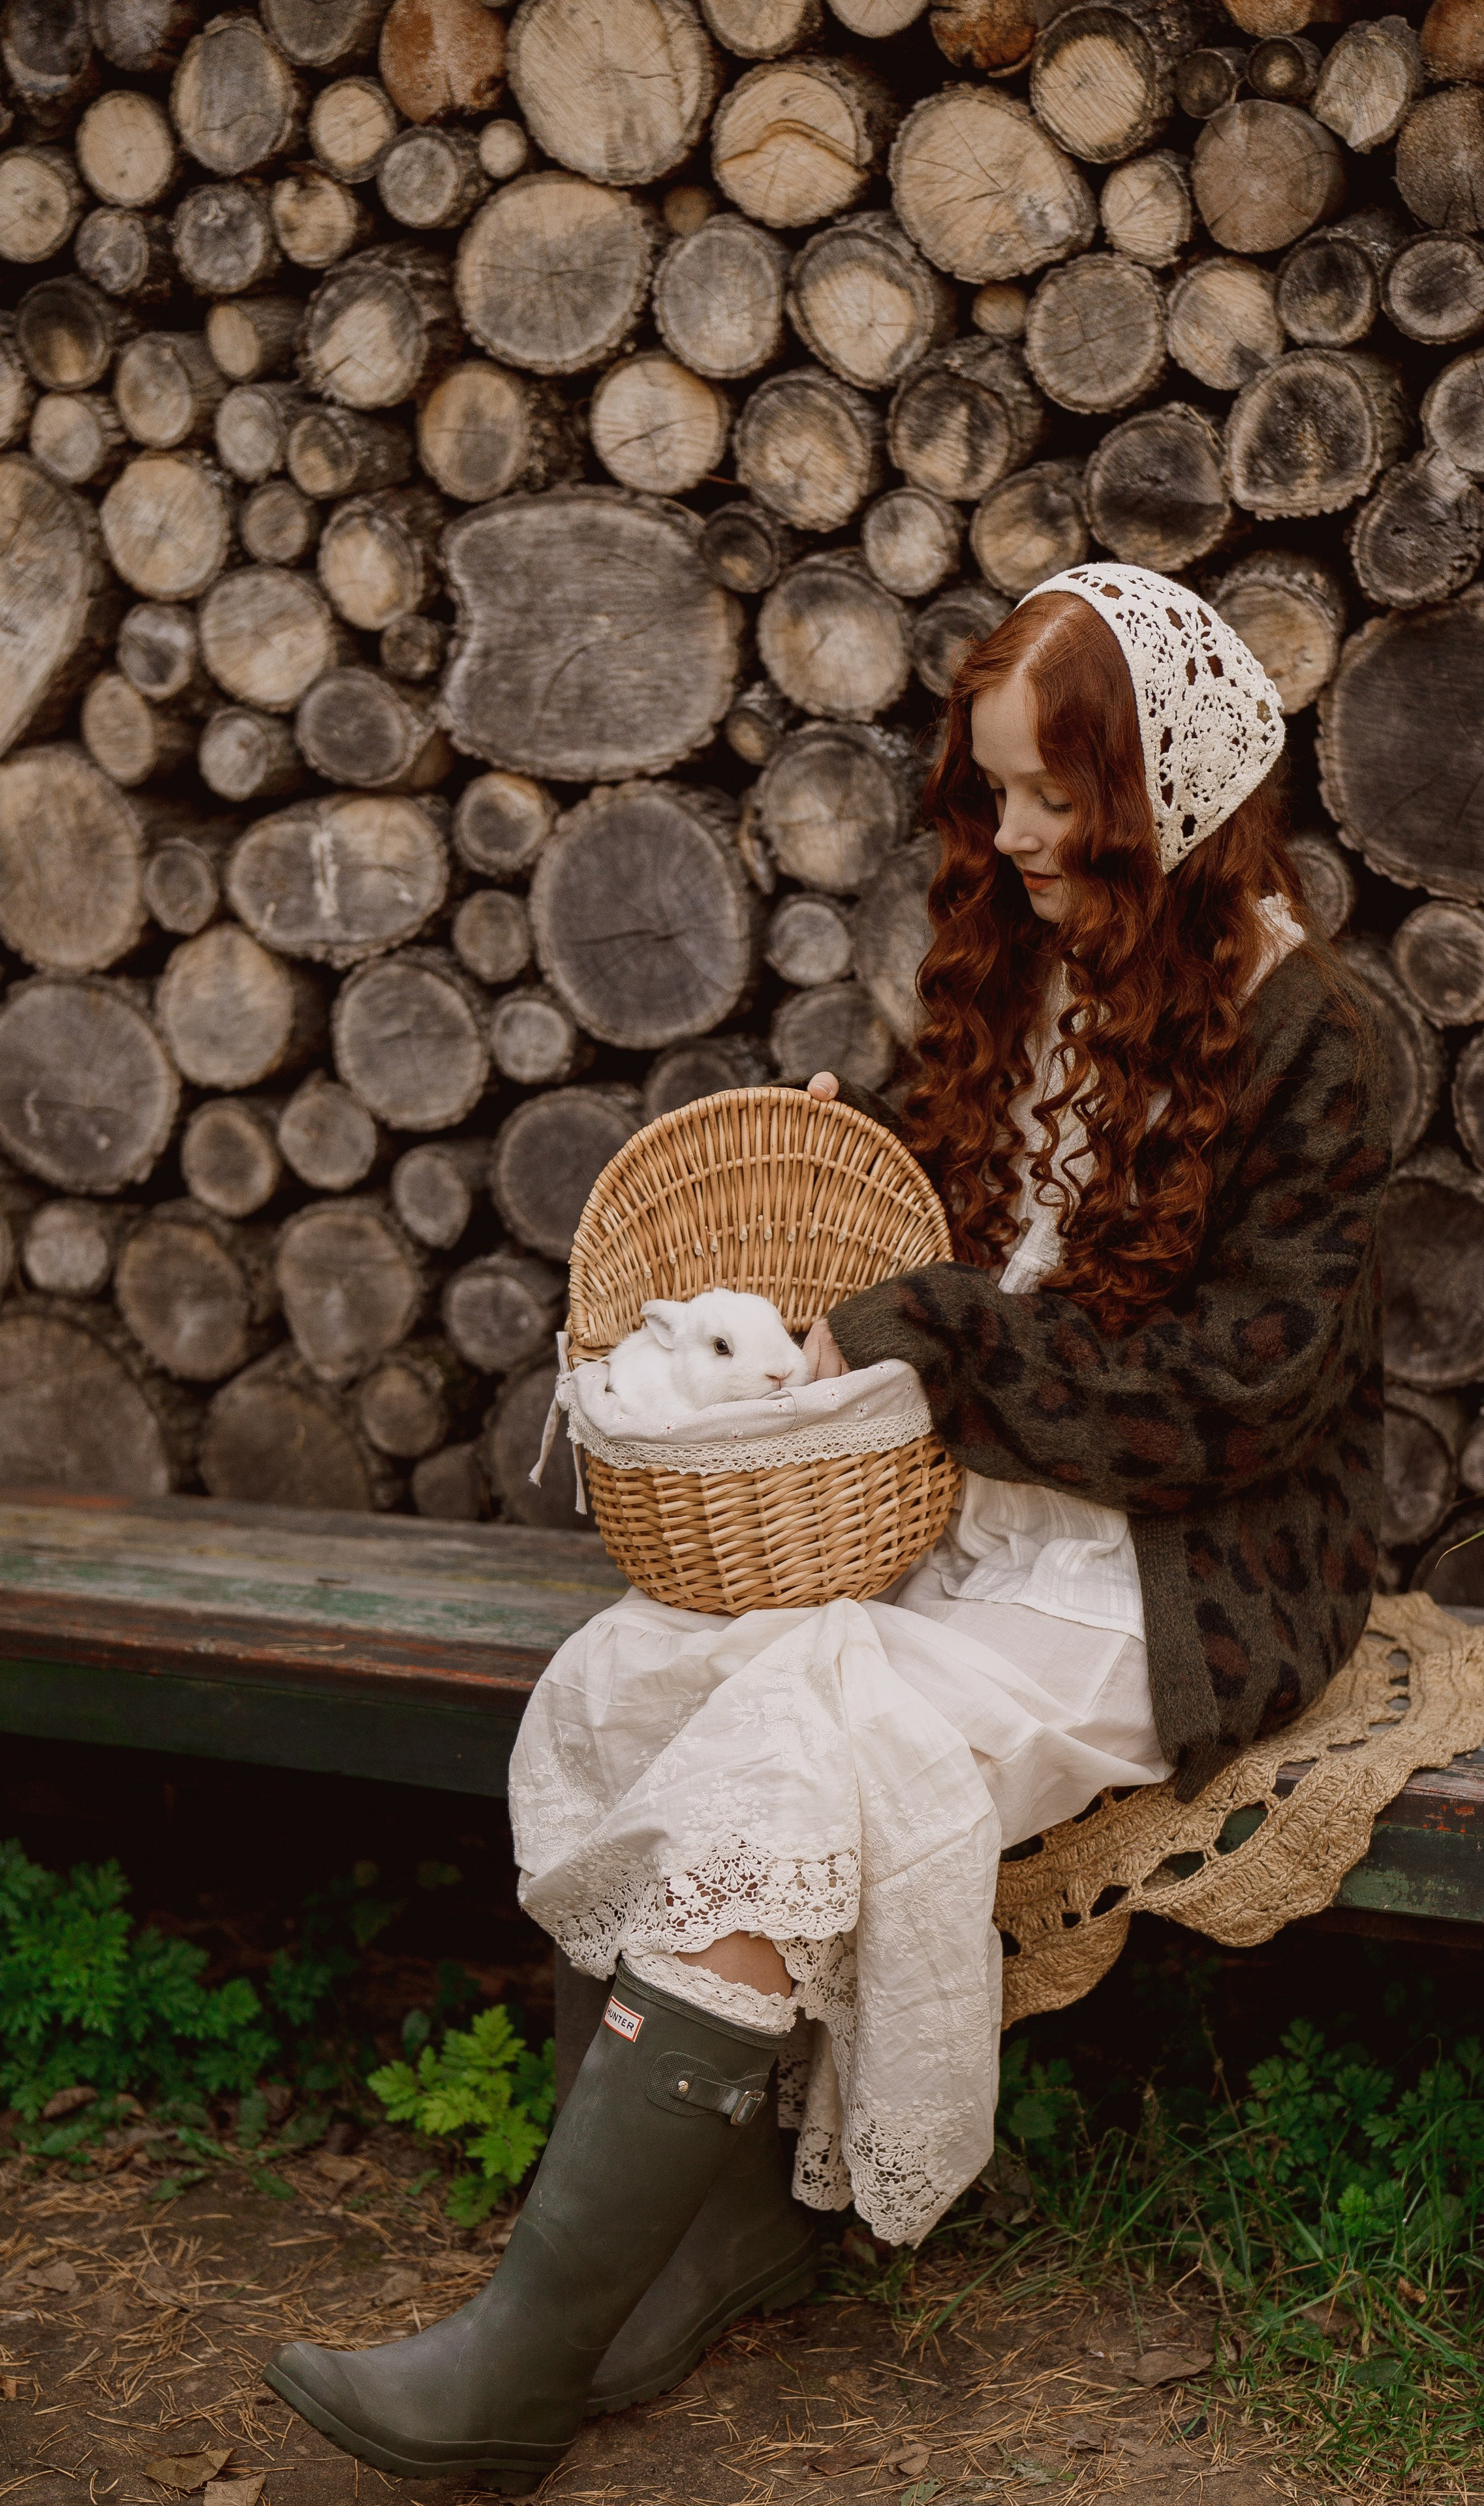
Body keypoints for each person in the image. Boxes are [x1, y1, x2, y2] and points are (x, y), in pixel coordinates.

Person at [266, 564, 1389, 2491]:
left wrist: (928, 1318)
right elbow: (941, 1258)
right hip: (958, 1516)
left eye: (1058, 801)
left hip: (1175, 1575)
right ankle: (709, 2232)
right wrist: (862, 1182)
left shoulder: (1320, 1034)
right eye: (1000, 793)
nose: (1018, 837)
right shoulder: (1032, 972)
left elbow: (1233, 1401)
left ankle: (520, 2368)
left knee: (809, 1743)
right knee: (642, 1665)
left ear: (1169, 801)